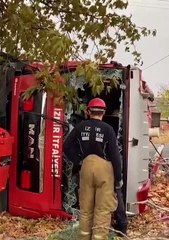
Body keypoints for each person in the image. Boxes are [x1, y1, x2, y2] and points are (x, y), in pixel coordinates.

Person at [63, 97, 123, 240]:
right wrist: (118, 179)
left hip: (86, 168)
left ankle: (84, 237)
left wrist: (78, 161)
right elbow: (115, 156)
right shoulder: (108, 129)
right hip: (105, 172)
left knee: (85, 209)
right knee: (102, 210)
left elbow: (66, 146)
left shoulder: (80, 126)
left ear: (88, 111)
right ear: (103, 112)